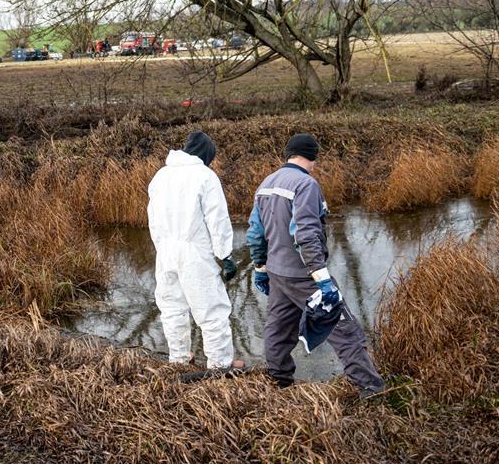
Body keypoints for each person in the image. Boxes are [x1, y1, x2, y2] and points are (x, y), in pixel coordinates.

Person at [246, 133, 386, 398]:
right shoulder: (305, 184)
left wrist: (260, 267)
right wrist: (321, 279)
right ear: (313, 156)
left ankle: (279, 380)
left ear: (288, 154)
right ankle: (371, 389)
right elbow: (306, 233)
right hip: (304, 275)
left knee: (279, 327)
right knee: (345, 330)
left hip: (277, 272)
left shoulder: (267, 183)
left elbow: (255, 232)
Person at [147, 131, 241, 369]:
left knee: (172, 307)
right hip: (194, 252)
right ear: (206, 155)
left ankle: (178, 358)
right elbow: (217, 220)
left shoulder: (161, 176)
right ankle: (220, 363)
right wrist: (225, 255)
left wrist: (161, 247)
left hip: (166, 251)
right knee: (211, 307)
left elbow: (153, 218)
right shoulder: (205, 176)